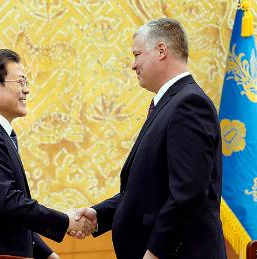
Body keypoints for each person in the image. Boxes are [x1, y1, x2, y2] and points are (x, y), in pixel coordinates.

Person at [71, 18, 227, 259]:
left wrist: (155, 252)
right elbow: (148, 190)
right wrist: (99, 214)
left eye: (137, 54)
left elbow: (188, 194)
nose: (133, 65)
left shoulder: (189, 104)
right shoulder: (169, 104)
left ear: (161, 51)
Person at [0, 49, 94, 259]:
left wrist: (48, 255)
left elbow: (6, 212)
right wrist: (65, 221)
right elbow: (8, 203)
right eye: (21, 83)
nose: (27, 90)